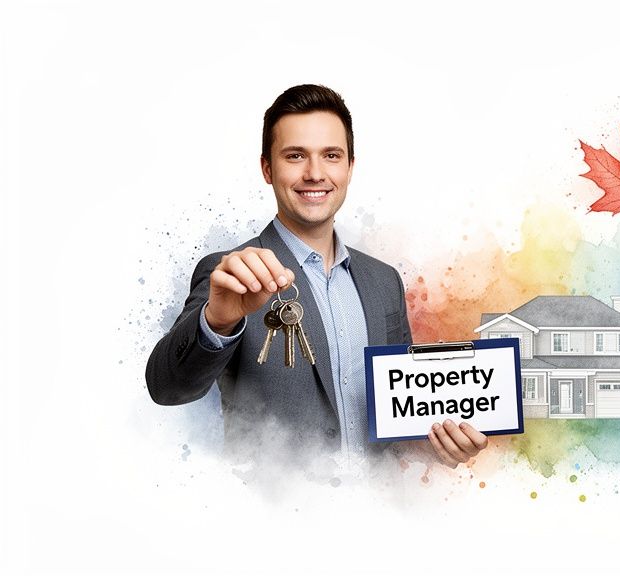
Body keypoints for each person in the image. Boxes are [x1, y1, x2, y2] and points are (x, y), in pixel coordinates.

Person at [146, 84, 486, 469]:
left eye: (331, 156)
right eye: (295, 156)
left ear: (350, 168)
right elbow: (166, 388)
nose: (315, 173)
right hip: (277, 518)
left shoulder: (384, 282)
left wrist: (438, 444)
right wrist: (218, 320)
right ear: (267, 169)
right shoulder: (230, 274)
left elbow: (397, 423)